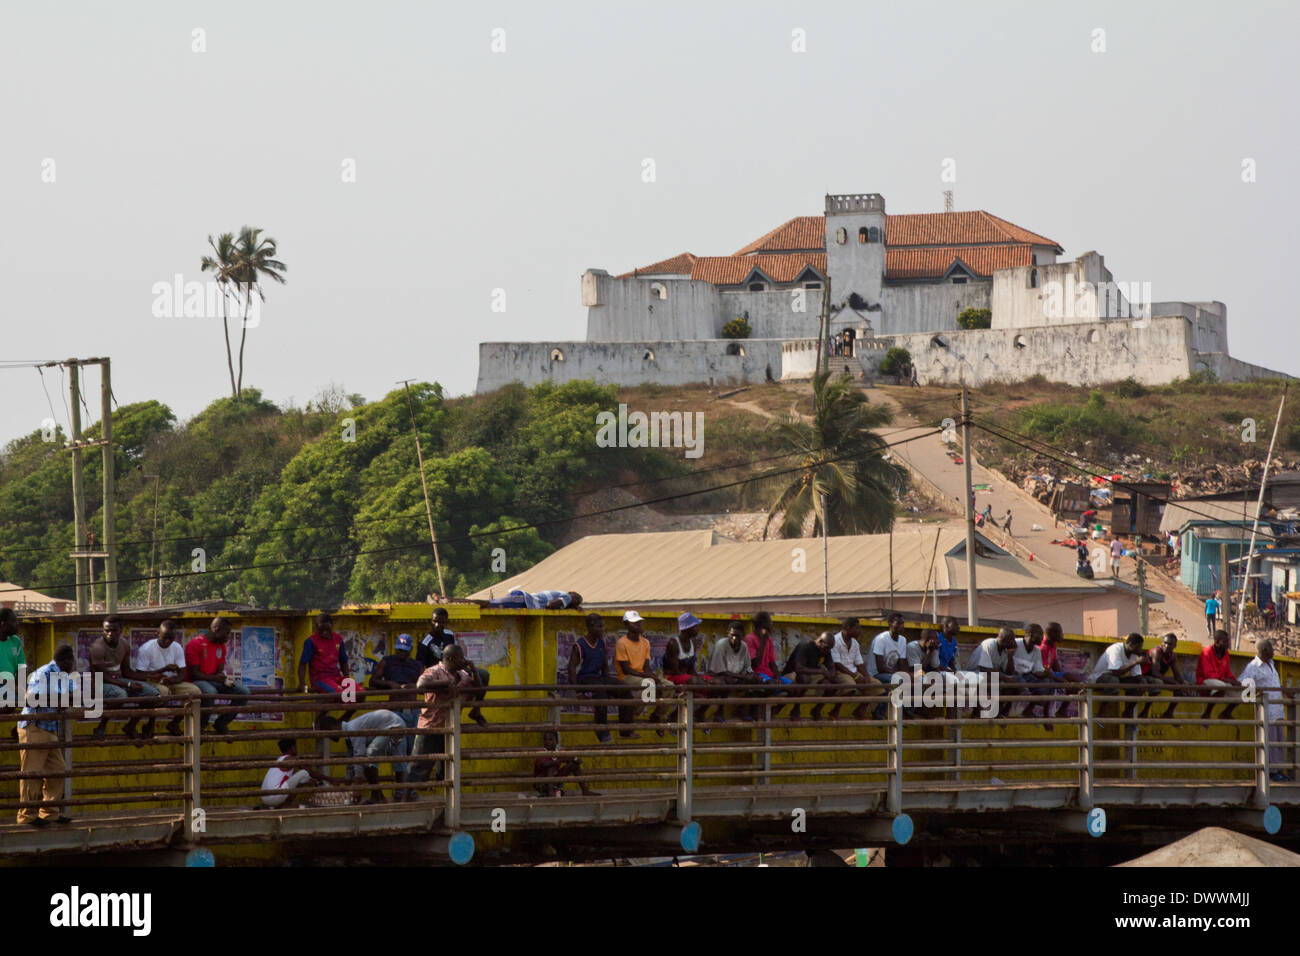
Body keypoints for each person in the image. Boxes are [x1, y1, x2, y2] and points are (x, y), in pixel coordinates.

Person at [16, 644, 77, 826]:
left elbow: (73, 694)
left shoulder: (65, 676)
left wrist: (64, 701)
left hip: (50, 728)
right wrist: (59, 700)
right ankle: (27, 815)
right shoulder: (43, 673)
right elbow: (31, 698)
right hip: (34, 727)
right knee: (32, 773)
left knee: (57, 770)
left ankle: (49, 812)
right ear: (67, 660)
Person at [410, 644, 476, 787]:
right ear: (451, 658)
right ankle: (406, 799)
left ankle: (448, 805)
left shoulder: (462, 674)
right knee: (419, 767)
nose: (463, 660)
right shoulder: (434, 671)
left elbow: (478, 686)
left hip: (450, 728)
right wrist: (445, 683)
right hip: (430, 727)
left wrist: (473, 668)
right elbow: (420, 685)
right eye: (461, 658)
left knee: (448, 769)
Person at [89, 615, 161, 740]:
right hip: (99, 684)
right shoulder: (97, 647)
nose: (110, 633)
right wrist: (128, 685)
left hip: (119, 682)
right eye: (107, 630)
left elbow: (127, 671)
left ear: (120, 630)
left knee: (152, 693)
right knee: (120, 695)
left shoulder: (124, 644)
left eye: (114, 630)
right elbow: (103, 677)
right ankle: (101, 726)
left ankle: (131, 725)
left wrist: (148, 677)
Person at [369, 633, 424, 796]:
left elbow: (426, 683)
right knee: (399, 751)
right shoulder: (387, 662)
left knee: (413, 751)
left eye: (405, 651)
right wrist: (389, 684)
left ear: (410, 650)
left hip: (413, 710)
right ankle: (400, 790)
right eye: (399, 650)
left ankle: (411, 788)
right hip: (396, 711)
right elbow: (373, 681)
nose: (402, 653)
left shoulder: (417, 665)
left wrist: (414, 686)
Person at [417, 608, 489, 725]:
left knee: (483, 675)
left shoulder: (449, 635)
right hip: (439, 672)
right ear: (431, 621)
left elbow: (456, 652)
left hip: (455, 667)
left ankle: (476, 710)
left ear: (446, 622)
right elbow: (420, 664)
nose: (438, 625)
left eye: (441, 622)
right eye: (435, 621)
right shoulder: (426, 642)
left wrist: (465, 663)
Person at [320, 709, 410, 803]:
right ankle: (379, 796)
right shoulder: (349, 734)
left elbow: (359, 757)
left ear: (332, 729)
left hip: (393, 726)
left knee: (368, 756)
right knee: (369, 760)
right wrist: (347, 781)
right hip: (392, 725)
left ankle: (379, 796)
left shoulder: (352, 730)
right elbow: (351, 759)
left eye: (329, 735)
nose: (330, 739)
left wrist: (357, 787)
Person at [135, 619, 203, 737]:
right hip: (151, 682)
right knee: (163, 692)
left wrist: (171, 680)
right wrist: (163, 671)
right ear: (158, 634)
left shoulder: (176, 647)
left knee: (195, 692)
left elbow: (182, 674)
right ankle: (151, 723)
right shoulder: (147, 648)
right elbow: (140, 675)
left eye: (171, 638)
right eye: (164, 637)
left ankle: (175, 723)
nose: (167, 641)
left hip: (170, 682)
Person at [185, 616, 252, 734]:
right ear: (216, 629)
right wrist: (216, 678)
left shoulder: (221, 646)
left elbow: (220, 668)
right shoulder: (195, 644)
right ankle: (201, 726)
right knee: (210, 692)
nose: (228, 637)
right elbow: (194, 674)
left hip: (213, 679)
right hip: (197, 681)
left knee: (244, 692)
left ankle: (221, 723)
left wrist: (223, 679)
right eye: (226, 633)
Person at [567, 612, 627, 742]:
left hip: (599, 677)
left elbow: (605, 665)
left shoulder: (602, 643)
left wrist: (611, 687)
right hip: (585, 678)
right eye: (600, 627)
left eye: (603, 626)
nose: (602, 629)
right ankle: (601, 730)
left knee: (624, 688)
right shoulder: (580, 645)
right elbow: (571, 668)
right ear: (590, 627)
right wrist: (578, 692)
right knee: (600, 691)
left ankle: (626, 729)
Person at [614, 611, 677, 733]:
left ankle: (658, 715)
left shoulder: (645, 642)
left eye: (639, 622)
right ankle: (632, 714)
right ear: (627, 625)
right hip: (626, 676)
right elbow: (626, 669)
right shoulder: (622, 643)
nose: (638, 625)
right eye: (634, 623)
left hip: (641, 675)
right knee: (649, 684)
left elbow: (646, 666)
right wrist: (649, 677)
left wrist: (653, 676)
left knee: (669, 686)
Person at [1240, 639, 1293, 782]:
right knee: (1269, 743)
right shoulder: (1253, 667)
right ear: (1264, 650)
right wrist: (1257, 696)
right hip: (1267, 712)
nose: (1274, 651)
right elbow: (1244, 688)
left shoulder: (1271, 664)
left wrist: (1284, 691)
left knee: (1279, 742)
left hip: (1278, 710)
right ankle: (1272, 773)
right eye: (1271, 648)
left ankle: (1279, 770)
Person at [1089, 632, 1157, 722]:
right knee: (1113, 681)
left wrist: (1143, 682)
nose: (1140, 649)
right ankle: (1101, 712)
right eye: (1138, 646)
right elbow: (1115, 671)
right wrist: (1135, 662)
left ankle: (1128, 711)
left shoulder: (1134, 655)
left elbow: (1137, 675)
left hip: (1119, 678)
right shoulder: (1116, 649)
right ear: (1130, 644)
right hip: (1101, 676)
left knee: (1140, 684)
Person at [706, 620, 760, 722]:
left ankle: (743, 711)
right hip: (720, 675)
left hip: (737, 676)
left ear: (742, 636)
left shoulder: (744, 646)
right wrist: (743, 677)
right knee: (725, 682)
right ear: (728, 634)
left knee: (756, 682)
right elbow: (720, 671)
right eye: (732, 635)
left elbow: (747, 667)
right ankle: (719, 713)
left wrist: (753, 675)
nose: (734, 638)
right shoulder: (721, 645)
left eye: (738, 636)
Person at [663, 612, 711, 723]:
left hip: (687, 677)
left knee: (715, 683)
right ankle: (674, 715)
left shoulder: (693, 642)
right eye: (695, 627)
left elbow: (691, 669)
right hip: (672, 677)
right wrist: (695, 681)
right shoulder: (673, 643)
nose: (697, 629)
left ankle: (699, 714)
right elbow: (676, 672)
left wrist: (702, 679)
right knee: (696, 682)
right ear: (686, 629)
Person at [781, 632, 837, 721]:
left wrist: (831, 674)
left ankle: (817, 709)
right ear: (821, 641)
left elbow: (831, 666)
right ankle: (795, 709)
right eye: (826, 648)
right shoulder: (805, 646)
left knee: (832, 685)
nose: (827, 651)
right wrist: (821, 671)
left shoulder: (825, 650)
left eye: (829, 649)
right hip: (792, 674)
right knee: (804, 679)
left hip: (811, 674)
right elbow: (799, 669)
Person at [260, 738, 328, 808]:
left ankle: (279, 805)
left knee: (299, 776)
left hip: (264, 798)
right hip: (274, 798)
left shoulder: (279, 759)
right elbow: (309, 771)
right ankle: (286, 805)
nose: (296, 749)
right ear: (291, 748)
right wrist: (329, 779)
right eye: (295, 747)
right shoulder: (290, 759)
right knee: (304, 773)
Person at [1039, 622, 1086, 719]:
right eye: (1060, 633)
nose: (1062, 635)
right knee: (1053, 683)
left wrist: (1062, 675)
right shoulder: (1043, 648)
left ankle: (1062, 711)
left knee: (1077, 682)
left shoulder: (1053, 644)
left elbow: (1054, 662)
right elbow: (1045, 672)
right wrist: (1063, 681)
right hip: (1042, 675)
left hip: (1052, 673)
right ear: (1052, 634)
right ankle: (1046, 714)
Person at [1141, 633, 1193, 720]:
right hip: (1146, 676)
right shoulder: (1156, 652)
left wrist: (1183, 684)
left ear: (1175, 646)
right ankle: (1145, 711)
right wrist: (1175, 683)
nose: (1166, 646)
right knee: (1158, 683)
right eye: (1165, 643)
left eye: (1170, 644)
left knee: (1182, 686)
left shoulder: (1173, 656)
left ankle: (1169, 712)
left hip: (1159, 677)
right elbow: (1155, 673)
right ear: (1162, 643)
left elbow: (1177, 674)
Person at [829, 617, 872, 720]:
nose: (859, 631)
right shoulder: (835, 640)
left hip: (853, 672)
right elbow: (837, 664)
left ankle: (860, 711)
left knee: (876, 686)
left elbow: (859, 663)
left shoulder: (855, 643)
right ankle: (835, 711)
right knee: (850, 686)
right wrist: (856, 676)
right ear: (847, 628)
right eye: (857, 629)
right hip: (840, 672)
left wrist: (866, 676)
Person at [298, 612, 349, 697]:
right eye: (321, 630)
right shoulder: (311, 641)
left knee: (359, 694)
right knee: (339, 694)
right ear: (316, 628)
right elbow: (303, 663)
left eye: (327, 629)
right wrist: (302, 683)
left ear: (332, 626)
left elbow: (343, 661)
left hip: (337, 677)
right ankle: (321, 707)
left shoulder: (338, 639)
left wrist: (347, 678)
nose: (324, 633)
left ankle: (324, 706)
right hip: (320, 679)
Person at [1195, 629, 1241, 724]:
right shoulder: (1207, 652)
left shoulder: (1226, 653)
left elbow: (1227, 671)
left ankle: (1226, 713)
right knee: (1221, 686)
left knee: (1241, 694)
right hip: (1205, 681)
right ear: (1216, 642)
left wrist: (1234, 681)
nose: (1227, 644)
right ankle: (1207, 713)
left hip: (1221, 681)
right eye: (1225, 641)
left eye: (1228, 641)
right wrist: (1227, 680)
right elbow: (1208, 673)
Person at [533, 729, 596, 797]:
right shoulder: (542, 752)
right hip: (541, 784)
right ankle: (550, 792)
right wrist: (559, 761)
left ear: (556, 741)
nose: (547, 742)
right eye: (545, 739)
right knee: (551, 767)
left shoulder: (559, 752)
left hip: (555, 782)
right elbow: (544, 764)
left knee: (574, 765)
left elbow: (575, 760)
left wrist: (575, 759)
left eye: (550, 739)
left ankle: (585, 790)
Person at [0, 608, 26, 739]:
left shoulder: (15, 641)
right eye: (13, 621)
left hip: (12, 686)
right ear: (3, 624)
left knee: (40, 697)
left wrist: (22, 687)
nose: (17, 624)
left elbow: (21, 668)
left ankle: (19, 727)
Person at [482, 589, 582, 610]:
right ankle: (467, 602)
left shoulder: (561, 595)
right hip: (525, 600)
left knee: (493, 604)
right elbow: (550, 606)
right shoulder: (567, 597)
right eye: (577, 600)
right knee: (491, 604)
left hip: (524, 600)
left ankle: (468, 602)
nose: (576, 603)